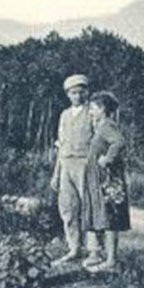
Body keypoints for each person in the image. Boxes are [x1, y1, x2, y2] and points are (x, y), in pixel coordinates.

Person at [81, 91, 131, 272]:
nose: (90, 112)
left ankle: (111, 261)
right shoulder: (100, 125)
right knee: (103, 215)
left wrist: (107, 159)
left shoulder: (107, 125)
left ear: (102, 109)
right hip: (100, 179)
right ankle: (101, 256)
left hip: (108, 179)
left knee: (110, 216)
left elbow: (119, 142)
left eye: (93, 108)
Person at [50, 74, 96, 265]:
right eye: (73, 93)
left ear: (86, 92)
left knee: (89, 207)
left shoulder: (92, 113)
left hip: (85, 164)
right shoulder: (64, 115)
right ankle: (74, 248)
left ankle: (94, 250)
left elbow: (99, 141)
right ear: (68, 94)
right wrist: (56, 174)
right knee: (67, 208)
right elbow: (61, 146)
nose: (77, 96)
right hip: (66, 165)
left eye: (80, 92)